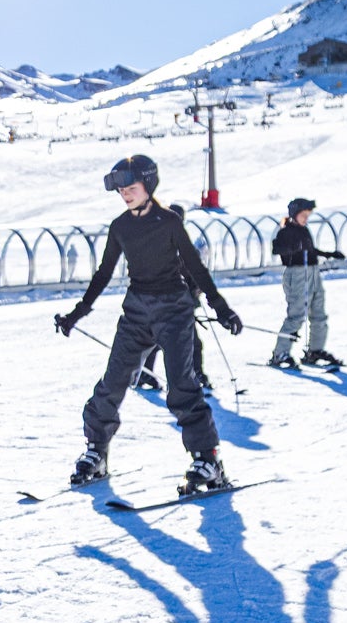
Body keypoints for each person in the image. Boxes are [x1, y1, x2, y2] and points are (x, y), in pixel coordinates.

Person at [56, 154, 242, 494]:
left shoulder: (169, 222)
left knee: (182, 384)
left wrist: (222, 307)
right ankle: (96, 451)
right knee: (112, 382)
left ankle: (208, 460)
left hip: (174, 309)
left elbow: (196, 268)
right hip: (137, 311)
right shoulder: (120, 227)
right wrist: (77, 313)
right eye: (121, 189)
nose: (125, 194)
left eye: (131, 187)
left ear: (148, 185)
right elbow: (103, 274)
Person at [266, 196, 347, 372]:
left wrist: (329, 253)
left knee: (318, 312)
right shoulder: (285, 231)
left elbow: (309, 249)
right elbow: (277, 249)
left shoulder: (304, 230)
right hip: (297, 274)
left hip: (312, 271)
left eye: (308, 215)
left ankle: (315, 350)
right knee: (297, 314)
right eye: (304, 214)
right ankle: (280, 353)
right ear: (295, 214)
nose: (306, 218)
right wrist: (292, 248)